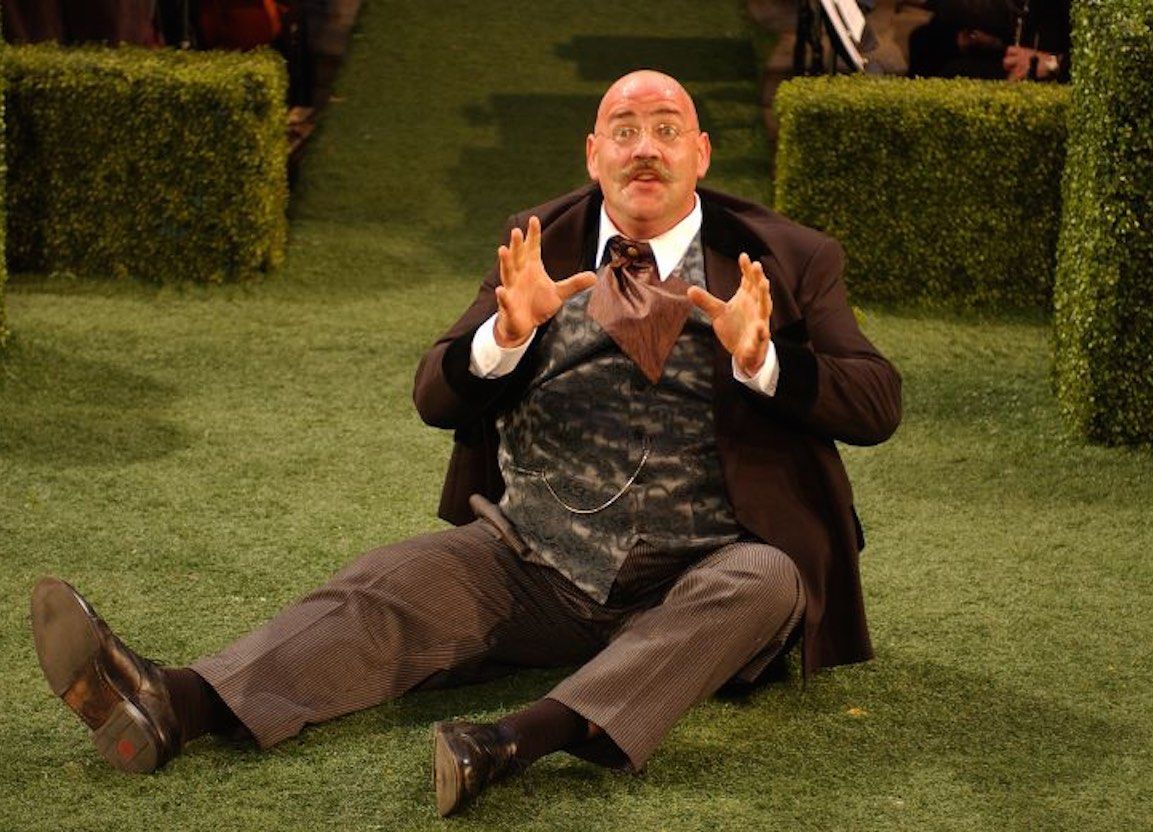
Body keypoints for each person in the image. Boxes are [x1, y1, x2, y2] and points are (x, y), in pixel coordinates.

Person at [30, 70, 902, 817]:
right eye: (625, 129)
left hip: (707, 569)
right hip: (536, 564)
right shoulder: (538, 242)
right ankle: (174, 704)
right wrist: (506, 336)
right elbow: (433, 394)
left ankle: (514, 741)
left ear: (701, 154)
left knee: (767, 579)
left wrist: (764, 361)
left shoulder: (786, 259)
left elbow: (877, 402)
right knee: (389, 583)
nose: (646, 148)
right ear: (592, 154)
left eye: (667, 130)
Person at [908, 0, 1071, 82]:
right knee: (928, 42)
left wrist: (1052, 63)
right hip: (1019, 62)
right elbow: (1010, 15)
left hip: (1057, 76)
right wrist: (997, 44)